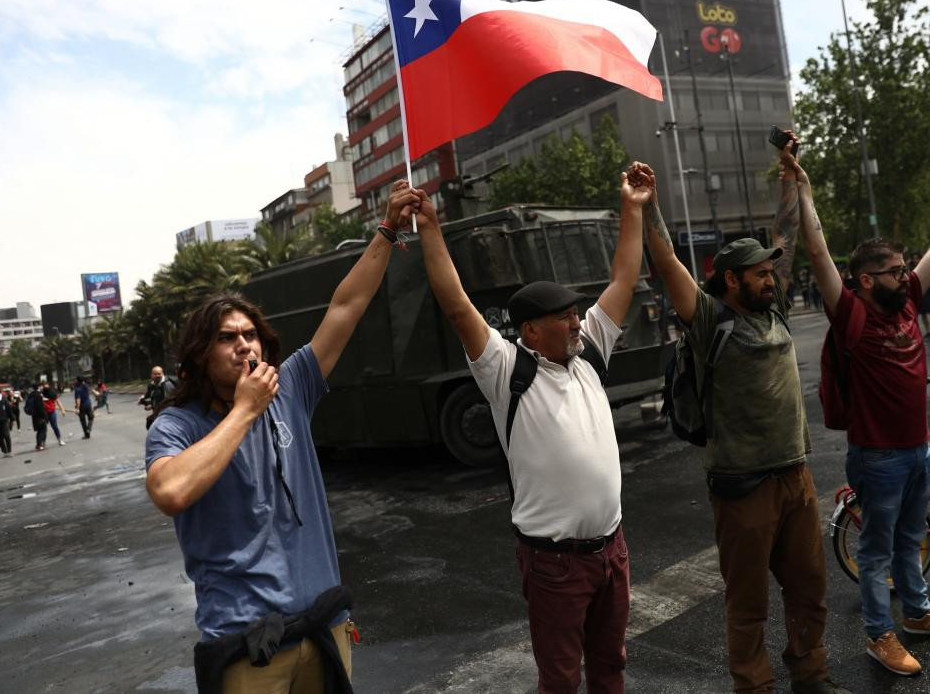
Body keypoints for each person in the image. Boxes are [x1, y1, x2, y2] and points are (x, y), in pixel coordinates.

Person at [144, 181, 419, 691]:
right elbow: (171, 491)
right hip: (249, 644)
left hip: (323, 627)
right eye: (227, 338)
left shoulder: (290, 386)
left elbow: (346, 307)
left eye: (250, 335)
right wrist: (245, 411)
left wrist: (385, 231)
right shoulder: (177, 425)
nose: (243, 346)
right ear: (200, 353)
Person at [416, 166, 648, 693]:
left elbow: (623, 280)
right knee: (561, 679)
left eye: (575, 314)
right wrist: (430, 229)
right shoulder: (506, 370)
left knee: (611, 666)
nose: (576, 322)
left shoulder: (587, 351)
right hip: (555, 565)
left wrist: (632, 208)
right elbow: (456, 306)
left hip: (612, 551)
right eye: (564, 317)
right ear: (529, 331)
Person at [641, 135, 847, 694]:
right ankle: (753, 686)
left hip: (795, 474)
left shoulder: (775, 309)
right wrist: (648, 203)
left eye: (769, 271)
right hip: (742, 485)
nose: (770, 276)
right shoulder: (710, 319)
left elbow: (786, 237)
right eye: (758, 272)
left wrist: (788, 176)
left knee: (808, 588)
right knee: (748, 600)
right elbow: (665, 262)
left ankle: (812, 674)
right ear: (731, 279)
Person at [798, 158, 930, 676]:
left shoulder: (907, 301)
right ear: (864, 279)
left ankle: (919, 614)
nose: (906, 274)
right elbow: (817, 251)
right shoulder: (852, 317)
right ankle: (878, 634)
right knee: (877, 549)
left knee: (913, 539)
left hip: (917, 449)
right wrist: (803, 190)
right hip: (878, 456)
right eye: (892, 270)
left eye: (904, 267)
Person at [26, 382, 50, 450]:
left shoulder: (31, 394)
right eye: (41, 386)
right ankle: (40, 445)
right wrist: (45, 417)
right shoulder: (38, 395)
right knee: (43, 430)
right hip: (40, 415)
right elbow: (41, 408)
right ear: (39, 387)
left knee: (39, 430)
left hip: (34, 415)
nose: (42, 387)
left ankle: (38, 444)